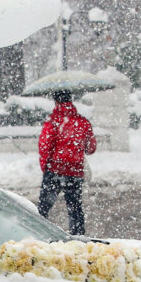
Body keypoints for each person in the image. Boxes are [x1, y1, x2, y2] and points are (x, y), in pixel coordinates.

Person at [36, 91, 97, 236]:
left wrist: (46, 167)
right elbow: (91, 148)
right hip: (74, 171)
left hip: (55, 170)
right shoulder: (82, 122)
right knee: (75, 207)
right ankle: (78, 236)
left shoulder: (53, 121)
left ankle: (37, 233)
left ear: (56, 102)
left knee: (44, 207)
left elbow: (45, 147)